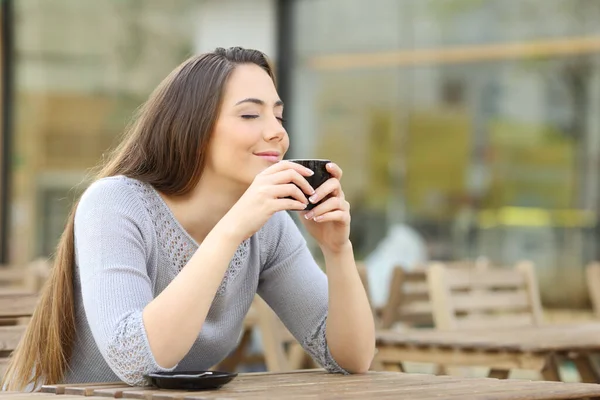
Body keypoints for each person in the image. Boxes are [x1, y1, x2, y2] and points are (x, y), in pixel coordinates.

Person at [2, 47, 375, 391]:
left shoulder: (269, 226)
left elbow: (350, 359)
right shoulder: (116, 204)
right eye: (249, 114)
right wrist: (232, 229)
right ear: (193, 129)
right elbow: (136, 361)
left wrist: (337, 248)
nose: (277, 131)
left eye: (278, 115)